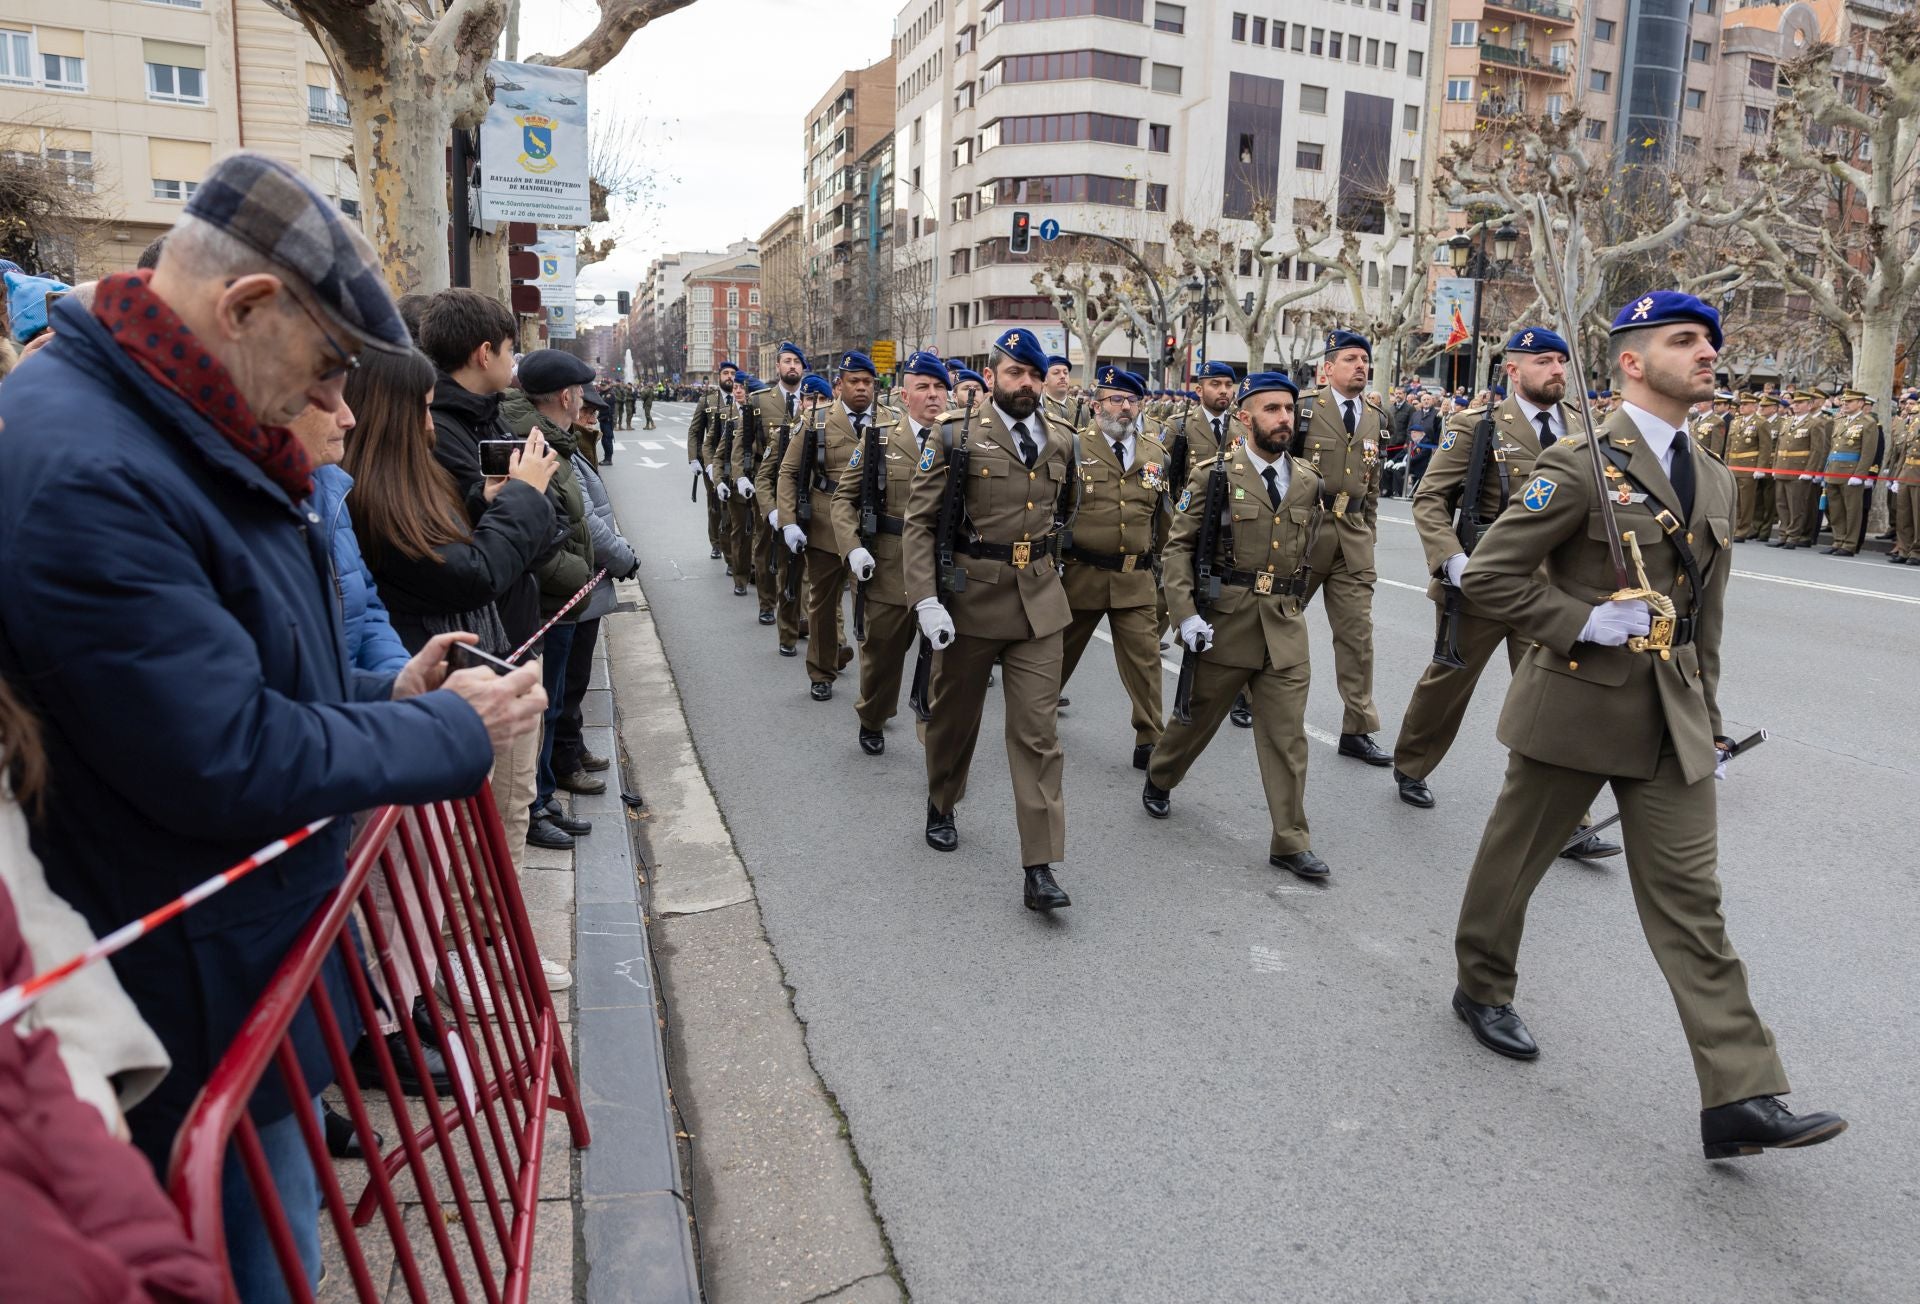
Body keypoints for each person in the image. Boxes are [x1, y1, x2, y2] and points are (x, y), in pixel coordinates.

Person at [0, 151, 548, 1298]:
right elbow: (222, 752)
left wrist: (385, 698)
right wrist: (448, 730)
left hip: (249, 983)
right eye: (329, 367)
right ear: (247, 307)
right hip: (192, 1006)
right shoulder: (87, 465)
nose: (340, 405)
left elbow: (257, 677)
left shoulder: (172, 422)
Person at [1448, 290, 1846, 1159]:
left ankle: (1740, 1094)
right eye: (1684, 340)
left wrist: (1709, 719)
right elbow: (1488, 577)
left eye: (1711, 340)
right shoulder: (1580, 460)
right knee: (1514, 866)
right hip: (1577, 706)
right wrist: (1582, 620)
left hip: (1672, 721)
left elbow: (1708, 620)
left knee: (1693, 908)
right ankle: (1481, 985)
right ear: (1632, 360)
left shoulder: (1716, 473)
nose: (1708, 352)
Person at [1391, 327, 1624, 859]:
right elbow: (1430, 499)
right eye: (1544, 361)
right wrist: (1451, 560)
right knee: (1449, 682)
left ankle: (1569, 822)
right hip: (1485, 583)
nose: (1557, 371)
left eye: (1562, 362)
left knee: (1555, 699)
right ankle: (1412, 762)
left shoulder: (1589, 431)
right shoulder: (1478, 426)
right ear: (1513, 370)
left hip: (1555, 593)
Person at [904, 328, 1075, 912]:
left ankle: (1040, 866)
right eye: (1014, 373)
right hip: (969, 601)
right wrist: (926, 600)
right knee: (955, 718)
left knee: (1038, 736)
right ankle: (942, 799)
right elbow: (921, 524)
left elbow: (1064, 514)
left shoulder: (1063, 439)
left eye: (1034, 374)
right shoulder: (954, 435)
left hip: (1039, 604)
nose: (1025, 384)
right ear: (994, 374)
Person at [1143, 372, 1329, 879]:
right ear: (1246, 417)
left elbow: (1308, 552)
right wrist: (1185, 617)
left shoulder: (1309, 479)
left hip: (1284, 629)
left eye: (1289, 409)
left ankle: (1290, 839)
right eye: (1272, 409)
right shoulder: (1214, 475)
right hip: (1226, 624)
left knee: (1288, 737)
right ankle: (1161, 775)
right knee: (1195, 720)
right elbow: (1177, 549)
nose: (1284, 418)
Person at [417, 288, 562, 877]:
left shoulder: (491, 415)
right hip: (484, 637)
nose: (515, 362)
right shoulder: (444, 432)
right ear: (483, 353)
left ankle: (494, 936)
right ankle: (490, 946)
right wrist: (524, 498)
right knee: (499, 809)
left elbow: (545, 524)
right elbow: (479, 549)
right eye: (510, 349)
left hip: (511, 627)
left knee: (513, 800)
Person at [502, 351, 600, 853]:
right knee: (543, 707)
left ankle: (541, 798)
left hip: (561, 595)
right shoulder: (533, 441)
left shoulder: (551, 437)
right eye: (580, 391)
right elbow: (535, 533)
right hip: (550, 599)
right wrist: (580, 573)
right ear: (566, 396)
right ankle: (536, 804)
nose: (584, 398)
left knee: (553, 701)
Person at [1057, 366, 1171, 771]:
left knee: (1145, 663)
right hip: (1080, 575)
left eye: (1131, 401)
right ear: (1095, 405)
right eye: (1115, 400)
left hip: (1134, 578)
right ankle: (1033, 721)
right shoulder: (1072, 447)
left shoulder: (1155, 452)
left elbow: (1164, 520)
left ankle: (1150, 740)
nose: (1124, 408)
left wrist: (1172, 574)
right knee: (1056, 659)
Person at [1296, 329, 1388, 764]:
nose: (1360, 366)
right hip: (1304, 531)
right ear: (1328, 368)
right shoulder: (1302, 411)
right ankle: (1245, 691)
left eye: (1364, 360)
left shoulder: (1376, 416)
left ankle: (1357, 727)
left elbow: (1372, 487)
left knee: (1357, 636)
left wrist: (1369, 534)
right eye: (1350, 359)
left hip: (1352, 537)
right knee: (1279, 619)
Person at [551, 387, 638, 792]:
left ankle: (573, 745)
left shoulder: (577, 446)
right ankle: (564, 760)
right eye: (588, 412)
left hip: (585, 579)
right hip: (576, 578)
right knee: (567, 681)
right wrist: (624, 558)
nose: (593, 420)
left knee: (576, 676)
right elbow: (587, 522)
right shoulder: (566, 449)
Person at [779, 352, 877, 702]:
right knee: (822, 603)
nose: (862, 388)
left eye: (868, 382)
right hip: (823, 526)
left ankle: (875, 689)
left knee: (873, 609)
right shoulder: (816, 420)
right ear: (840, 384)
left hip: (869, 529)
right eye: (855, 381)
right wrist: (789, 521)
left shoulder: (889, 421)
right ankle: (822, 671)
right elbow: (790, 472)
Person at [747, 343, 811, 631]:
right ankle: (766, 603)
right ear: (777, 366)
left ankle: (796, 612)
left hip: (803, 487)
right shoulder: (760, 401)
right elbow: (745, 443)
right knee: (765, 549)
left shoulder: (815, 401)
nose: (792, 366)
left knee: (799, 556)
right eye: (787, 361)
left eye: (797, 362)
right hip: (769, 483)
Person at [1821, 389, 1882, 556]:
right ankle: (1838, 539)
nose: (1845, 404)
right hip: (1834, 470)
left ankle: (1849, 544)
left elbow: (1868, 452)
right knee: (1835, 509)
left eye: (1849, 401)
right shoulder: (1839, 420)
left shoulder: (1868, 422)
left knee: (1852, 510)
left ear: (1861, 403)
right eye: (1844, 401)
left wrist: (1860, 474)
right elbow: (1832, 447)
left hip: (1851, 473)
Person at [689, 363, 737, 560]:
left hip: (736, 461)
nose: (729, 377)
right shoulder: (707, 401)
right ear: (719, 377)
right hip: (712, 462)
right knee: (715, 505)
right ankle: (716, 542)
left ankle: (733, 543)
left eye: (733, 374)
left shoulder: (744, 399)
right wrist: (694, 458)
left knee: (736, 505)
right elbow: (695, 431)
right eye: (726, 373)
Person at [1042, 353, 1074, 423]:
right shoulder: (1039, 407)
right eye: (1056, 373)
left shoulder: (1081, 408)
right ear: (1045, 379)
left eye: (1065, 373)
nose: (1063, 376)